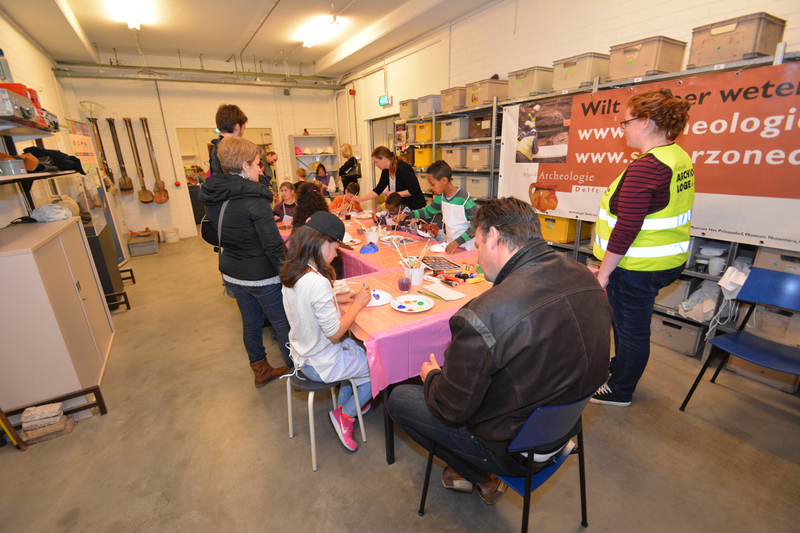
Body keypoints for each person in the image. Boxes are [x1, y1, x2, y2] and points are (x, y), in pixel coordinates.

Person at [388, 197, 611, 504]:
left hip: (517, 449)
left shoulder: (484, 315)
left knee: (399, 399)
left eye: (478, 244)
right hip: (566, 425)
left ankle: (484, 475)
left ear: (493, 237)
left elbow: (451, 408)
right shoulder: (587, 277)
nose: (477, 257)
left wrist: (431, 378)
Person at [591, 88, 694, 407]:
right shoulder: (676, 156)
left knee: (631, 330)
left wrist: (604, 274)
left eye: (626, 122)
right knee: (629, 325)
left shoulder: (647, 168)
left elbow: (626, 229)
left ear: (646, 122)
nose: (623, 127)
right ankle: (621, 369)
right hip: (664, 261)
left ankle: (620, 389)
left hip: (636, 268)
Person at [198, 136, 293, 388]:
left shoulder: (213, 195)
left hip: (233, 272)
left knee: (250, 324)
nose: (261, 169)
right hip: (262, 276)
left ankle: (260, 370)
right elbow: (273, 245)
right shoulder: (255, 200)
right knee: (282, 322)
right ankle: (298, 370)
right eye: (257, 164)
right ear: (244, 166)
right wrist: (290, 273)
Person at [280, 212, 373, 451]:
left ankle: (342, 408)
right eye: (335, 249)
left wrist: (337, 297)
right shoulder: (318, 281)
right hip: (320, 362)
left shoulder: (294, 271)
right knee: (377, 365)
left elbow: (308, 304)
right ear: (322, 243)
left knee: (355, 353)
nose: (335, 255)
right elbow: (334, 334)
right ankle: (347, 414)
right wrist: (357, 304)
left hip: (302, 353)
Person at [398, 160, 477, 253]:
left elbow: (476, 225)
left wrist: (457, 242)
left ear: (444, 181)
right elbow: (428, 212)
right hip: (451, 246)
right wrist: (407, 215)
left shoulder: (464, 199)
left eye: (433, 184)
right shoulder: (441, 197)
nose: (431, 187)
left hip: (468, 247)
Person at [355, 146, 425, 211]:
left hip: (415, 208)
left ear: (384, 159)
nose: (376, 165)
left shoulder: (403, 168)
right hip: (401, 209)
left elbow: (415, 189)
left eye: (376, 162)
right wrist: (360, 199)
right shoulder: (386, 171)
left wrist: (395, 194)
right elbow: (378, 190)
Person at [209, 104, 247, 175]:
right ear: (237, 127)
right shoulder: (232, 149)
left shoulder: (215, 148)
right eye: (243, 128)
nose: (243, 133)